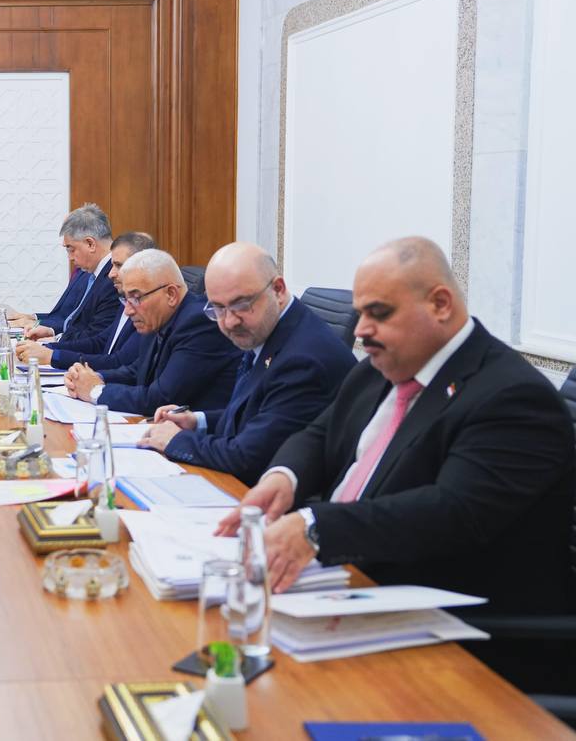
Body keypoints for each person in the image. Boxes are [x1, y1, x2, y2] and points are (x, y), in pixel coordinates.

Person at [217, 237, 574, 615]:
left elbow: (452, 513)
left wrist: (316, 527)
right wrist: (284, 477)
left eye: (379, 313)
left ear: (440, 304)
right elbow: (320, 435)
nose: (361, 331)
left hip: (449, 617)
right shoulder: (381, 367)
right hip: (343, 578)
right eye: (360, 314)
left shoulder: (512, 397)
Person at [137, 242, 356, 486]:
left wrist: (176, 440)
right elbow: (255, 414)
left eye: (241, 304)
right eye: (218, 308)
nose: (229, 321)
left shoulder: (304, 361)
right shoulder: (268, 329)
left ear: (278, 290)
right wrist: (197, 421)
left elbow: (249, 457)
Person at [65, 249, 240, 415]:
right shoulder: (157, 318)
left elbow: (160, 398)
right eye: (126, 299)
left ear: (171, 294)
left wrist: (95, 391)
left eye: (136, 298)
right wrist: (92, 377)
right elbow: (137, 371)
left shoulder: (199, 323)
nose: (128, 311)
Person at [15, 231, 155, 369]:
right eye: (112, 265)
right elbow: (99, 342)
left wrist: (52, 356)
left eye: (119, 265)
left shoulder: (147, 310)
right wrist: (47, 348)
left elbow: (118, 362)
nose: (111, 274)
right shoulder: (126, 300)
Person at [24, 203, 121, 345]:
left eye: (71, 249)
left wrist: (52, 345)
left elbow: (95, 337)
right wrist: (52, 332)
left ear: (90, 244)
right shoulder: (93, 274)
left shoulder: (113, 280)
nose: (69, 257)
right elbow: (77, 323)